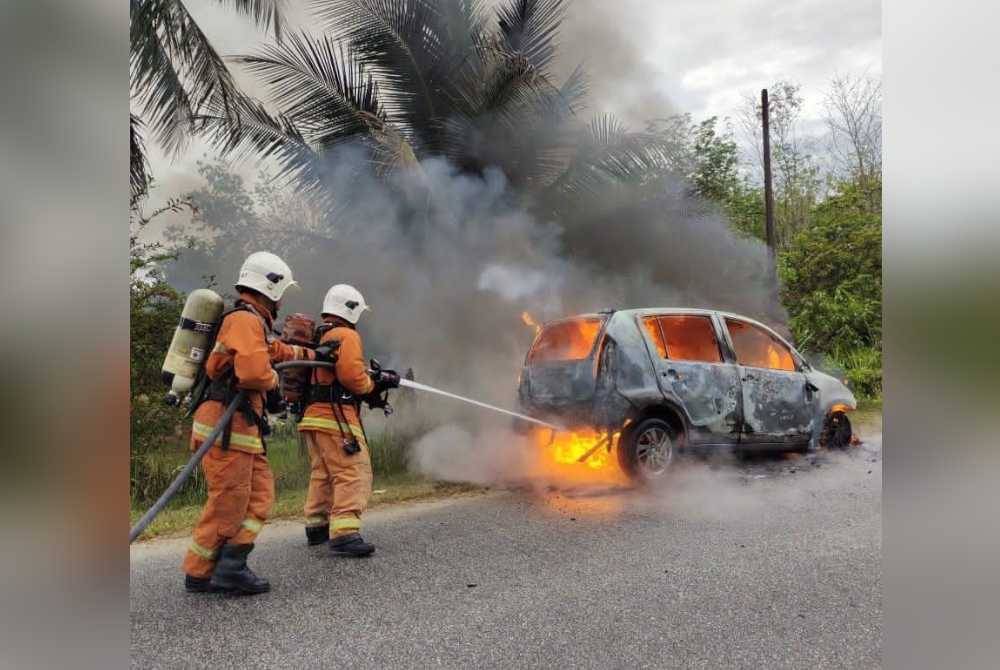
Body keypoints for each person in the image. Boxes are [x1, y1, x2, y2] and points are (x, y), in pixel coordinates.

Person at [182, 252, 315, 595]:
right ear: (270, 287)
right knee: (229, 501)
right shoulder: (244, 320)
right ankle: (203, 572)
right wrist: (273, 382)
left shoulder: (253, 324)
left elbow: (275, 352)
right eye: (281, 291)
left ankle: (230, 565)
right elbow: (255, 372)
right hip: (226, 428)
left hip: (241, 429)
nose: (282, 300)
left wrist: (314, 355)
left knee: (258, 496)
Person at [298, 284, 400, 557]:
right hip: (337, 419)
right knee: (352, 471)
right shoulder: (346, 335)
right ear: (352, 310)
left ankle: (317, 526)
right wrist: (374, 384)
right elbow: (352, 377)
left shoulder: (322, 335)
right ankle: (344, 534)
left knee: (323, 473)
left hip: (313, 418)